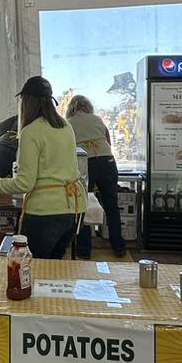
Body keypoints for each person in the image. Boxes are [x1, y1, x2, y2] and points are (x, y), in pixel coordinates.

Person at [0, 77, 85, 258]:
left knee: (32, 267)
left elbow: (24, 184)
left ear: (27, 102)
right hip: (73, 209)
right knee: (54, 267)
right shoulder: (65, 126)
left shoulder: (31, 131)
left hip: (44, 212)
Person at [65, 97, 126, 258]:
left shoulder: (69, 123)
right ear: (88, 106)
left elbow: (66, 148)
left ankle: (84, 249)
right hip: (107, 161)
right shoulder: (98, 119)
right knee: (111, 206)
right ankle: (119, 247)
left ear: (71, 108)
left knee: (82, 205)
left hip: (85, 162)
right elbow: (108, 142)